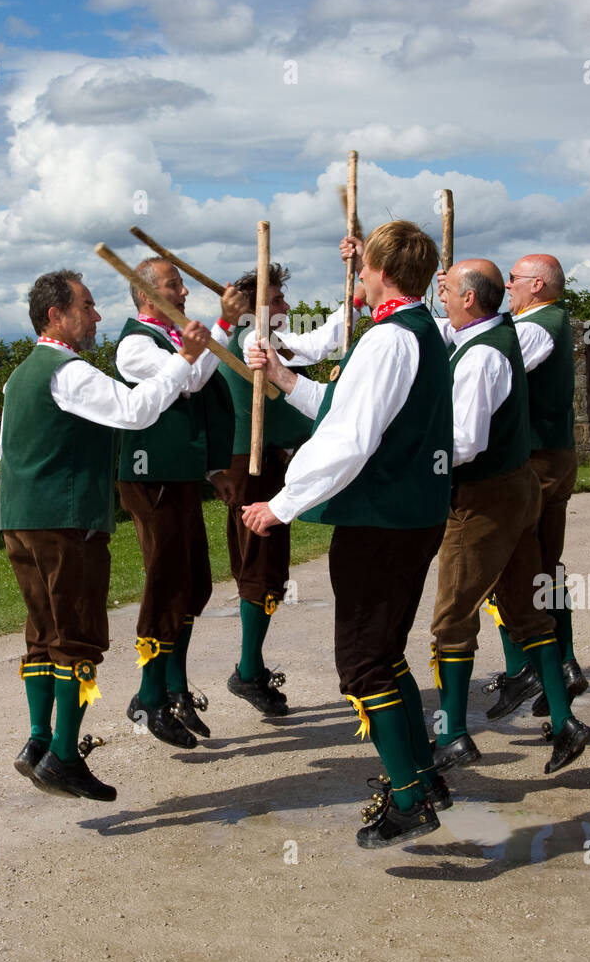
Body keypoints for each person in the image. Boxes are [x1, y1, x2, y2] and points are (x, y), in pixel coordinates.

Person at [242, 221, 453, 849]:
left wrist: (281, 503)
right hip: (408, 517)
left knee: (364, 663)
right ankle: (423, 777)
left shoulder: (389, 339)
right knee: (385, 652)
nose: (356, 277)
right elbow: (344, 404)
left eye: (363, 269)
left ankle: (411, 799)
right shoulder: (419, 331)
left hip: (381, 522)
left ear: (383, 272)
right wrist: (283, 378)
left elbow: (349, 439)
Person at [0, 269, 209, 801]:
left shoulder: (19, 375)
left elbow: (8, 452)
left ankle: (39, 740)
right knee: (77, 637)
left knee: (42, 634)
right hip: (66, 522)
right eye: (87, 307)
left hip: (20, 520)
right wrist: (183, 360)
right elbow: (136, 412)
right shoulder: (69, 372)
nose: (96, 317)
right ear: (56, 315)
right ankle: (64, 758)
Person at [430, 260, 590, 777]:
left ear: (471, 300)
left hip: (486, 495)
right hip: (518, 484)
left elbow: (464, 443)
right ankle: (565, 722)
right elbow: (441, 329)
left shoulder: (492, 350)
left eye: (450, 291)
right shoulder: (500, 333)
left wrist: (409, 456)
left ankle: (453, 734)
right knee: (527, 608)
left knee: (452, 618)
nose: (445, 299)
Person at [115, 258, 247, 748]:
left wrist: (214, 471)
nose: (185, 292)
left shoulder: (174, 340)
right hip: (151, 480)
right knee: (168, 583)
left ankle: (173, 686)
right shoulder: (134, 345)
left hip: (182, 478)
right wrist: (225, 323)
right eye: (174, 285)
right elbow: (187, 381)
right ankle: (149, 696)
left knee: (195, 586)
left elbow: (203, 400)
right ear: (148, 296)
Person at [220, 263, 361, 716]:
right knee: (259, 567)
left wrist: (355, 295)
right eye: (278, 301)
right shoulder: (252, 340)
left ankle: (251, 666)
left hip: (267, 460)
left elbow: (321, 343)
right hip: (253, 464)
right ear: (257, 308)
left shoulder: (268, 338)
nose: (287, 307)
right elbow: (317, 346)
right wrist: (355, 298)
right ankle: (247, 669)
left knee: (266, 567)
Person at [481, 255, 589, 720]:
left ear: (538, 285)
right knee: (544, 568)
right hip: (553, 456)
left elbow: (497, 368)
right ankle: (560, 666)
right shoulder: (543, 320)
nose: (508, 286)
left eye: (514, 281)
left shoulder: (537, 327)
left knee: (511, 563)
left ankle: (527, 668)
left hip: (538, 460)